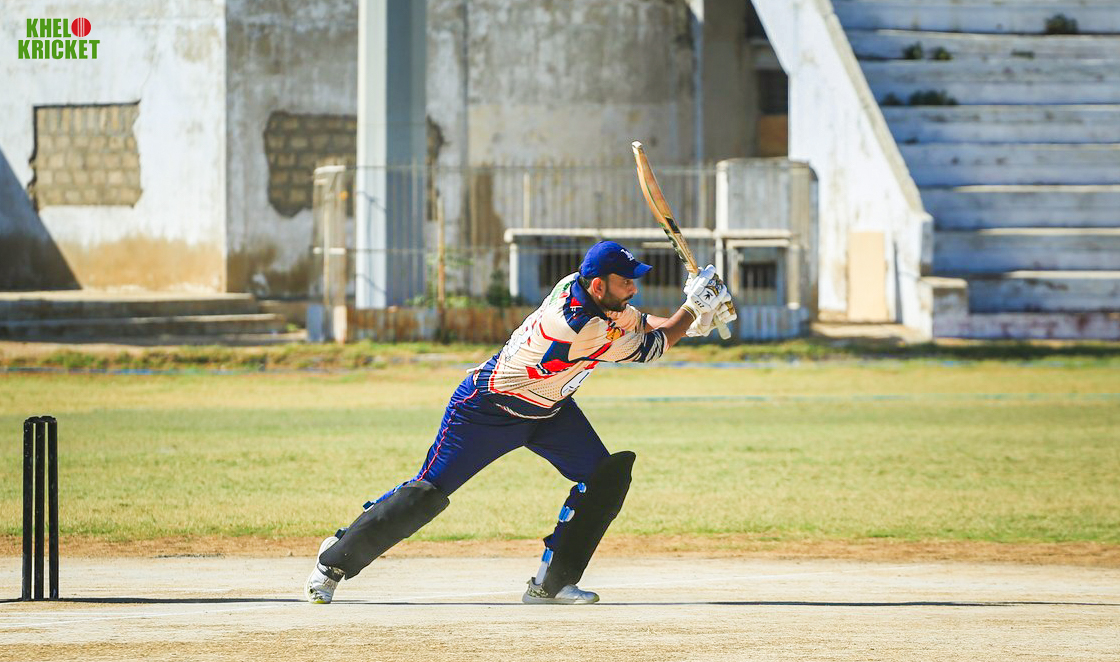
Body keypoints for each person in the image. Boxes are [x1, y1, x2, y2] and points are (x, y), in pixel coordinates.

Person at [305, 240, 735, 605]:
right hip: (486, 410)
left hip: (550, 412)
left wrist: (692, 322)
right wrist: (691, 310)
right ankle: (333, 562)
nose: (633, 289)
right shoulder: (577, 326)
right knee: (426, 493)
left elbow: (639, 323)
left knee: (605, 478)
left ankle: (552, 584)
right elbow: (652, 347)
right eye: (626, 282)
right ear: (599, 285)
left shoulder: (585, 289)